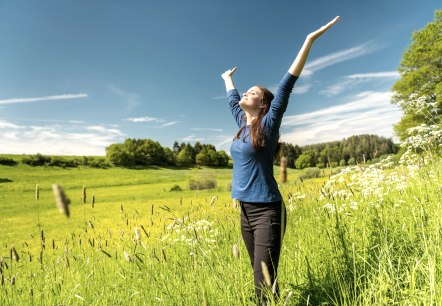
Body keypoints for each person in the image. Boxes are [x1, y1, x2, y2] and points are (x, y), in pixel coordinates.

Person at [221, 16, 340, 303]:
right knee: (258, 275)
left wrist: (308, 41)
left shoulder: (268, 124)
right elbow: (232, 98)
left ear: (263, 104)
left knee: (264, 283)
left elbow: (286, 85)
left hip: (267, 212)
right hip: (245, 211)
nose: (245, 93)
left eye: (253, 92)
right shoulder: (241, 123)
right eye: (245, 91)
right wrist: (227, 79)